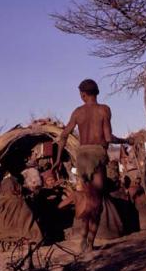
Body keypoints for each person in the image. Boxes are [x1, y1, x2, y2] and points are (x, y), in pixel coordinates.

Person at [53, 78, 132, 252]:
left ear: (82, 95)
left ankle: (82, 237)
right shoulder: (104, 110)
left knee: (84, 198)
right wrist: (126, 140)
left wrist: (58, 159)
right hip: (97, 155)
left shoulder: (78, 112)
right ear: (97, 92)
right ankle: (89, 243)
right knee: (97, 202)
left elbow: (64, 135)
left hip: (81, 156)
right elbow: (109, 138)